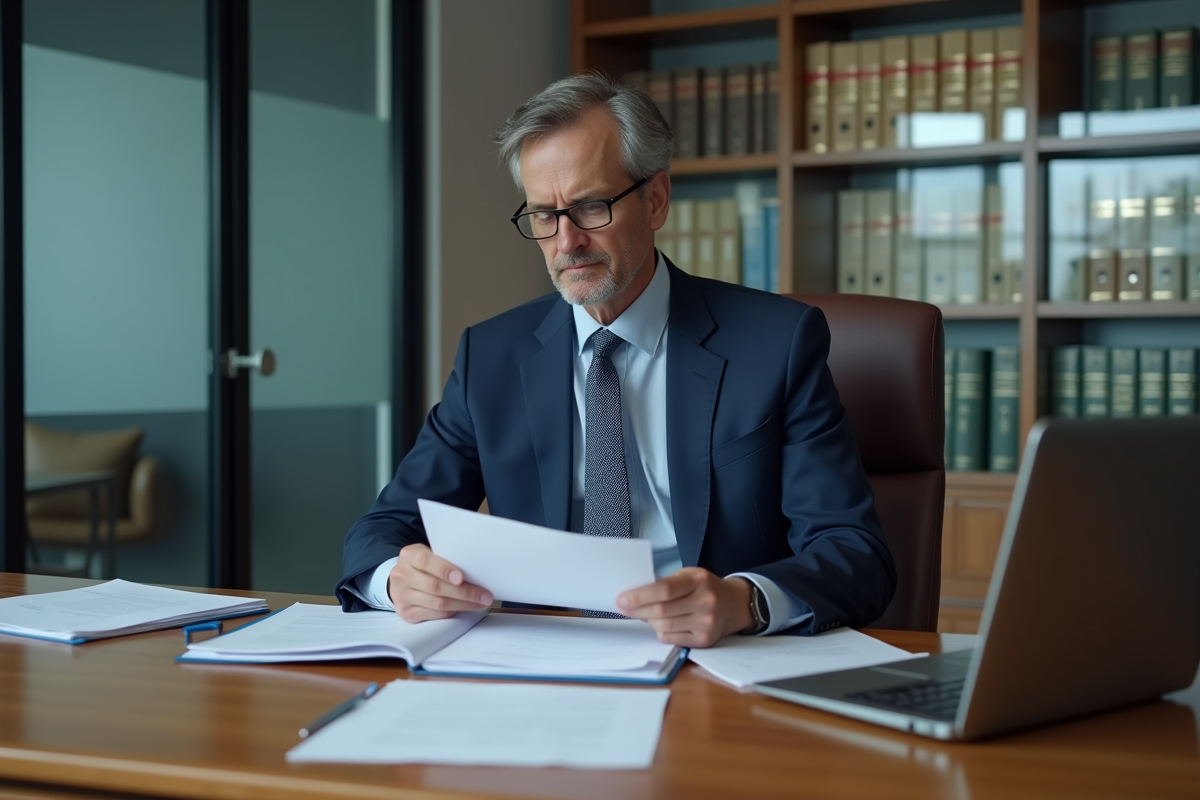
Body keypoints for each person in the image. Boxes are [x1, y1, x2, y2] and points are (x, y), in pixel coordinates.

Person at [336, 73, 895, 648]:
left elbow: (855, 553)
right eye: (543, 216)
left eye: (590, 207)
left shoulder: (776, 344)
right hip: (543, 665)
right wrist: (396, 581)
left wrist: (745, 601)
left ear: (655, 200)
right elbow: (383, 529)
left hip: (717, 659)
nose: (566, 242)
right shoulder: (492, 356)